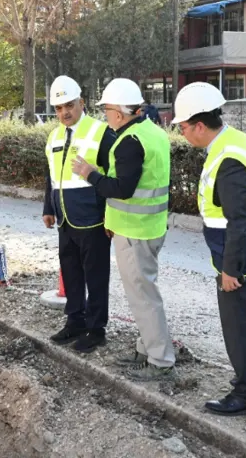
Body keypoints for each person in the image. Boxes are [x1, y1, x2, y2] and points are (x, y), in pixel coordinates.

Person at [172, 82, 246, 416]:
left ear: (200, 125)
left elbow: (238, 220)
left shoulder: (229, 159)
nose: (183, 134)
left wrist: (231, 269)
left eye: (184, 127)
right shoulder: (234, 141)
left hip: (245, 259)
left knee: (240, 328)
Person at [71, 78, 175, 381]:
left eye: (106, 109)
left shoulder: (128, 142)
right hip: (148, 226)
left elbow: (122, 189)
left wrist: (90, 174)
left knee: (143, 296)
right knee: (143, 293)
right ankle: (146, 350)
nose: (105, 115)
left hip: (136, 231)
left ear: (118, 112)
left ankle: (160, 360)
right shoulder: (153, 132)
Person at [44, 75, 117, 353]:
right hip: (64, 217)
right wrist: (48, 208)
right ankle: (75, 320)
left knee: (96, 275)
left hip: (93, 218)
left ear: (82, 103)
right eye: (59, 108)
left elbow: (113, 178)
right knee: (71, 272)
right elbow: (50, 176)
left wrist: (111, 216)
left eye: (69, 105)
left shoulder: (101, 132)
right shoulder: (54, 136)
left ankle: (96, 329)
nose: (64, 112)